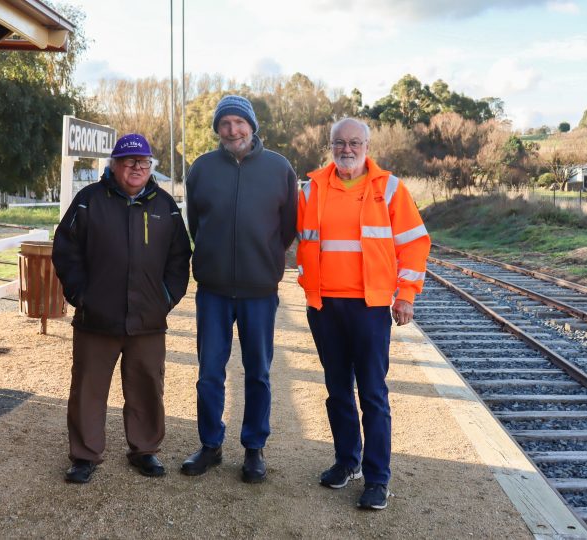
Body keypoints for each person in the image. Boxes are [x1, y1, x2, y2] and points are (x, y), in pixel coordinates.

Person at [296, 118, 430, 509]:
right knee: (337, 391)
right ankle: (346, 462)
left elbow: (415, 243)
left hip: (370, 307)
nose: (347, 149)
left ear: (368, 145)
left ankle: (377, 478)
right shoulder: (311, 189)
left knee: (372, 393)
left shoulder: (388, 189)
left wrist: (405, 295)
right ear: (331, 145)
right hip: (323, 306)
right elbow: (295, 240)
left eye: (355, 142)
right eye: (340, 142)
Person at [52, 133, 191, 483]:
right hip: (96, 318)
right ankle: (84, 454)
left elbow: (179, 257)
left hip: (147, 319)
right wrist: (81, 295)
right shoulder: (88, 201)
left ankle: (144, 451)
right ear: (114, 165)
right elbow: (65, 251)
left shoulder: (164, 205)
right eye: (129, 162)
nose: (137, 169)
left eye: (143, 163)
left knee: (147, 385)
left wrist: (165, 298)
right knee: (88, 388)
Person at [181, 95, 297, 483]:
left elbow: (288, 228)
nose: (232, 130)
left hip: (259, 291)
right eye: (225, 123)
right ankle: (210, 445)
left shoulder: (279, 168)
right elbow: (195, 224)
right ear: (217, 129)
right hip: (213, 291)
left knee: (258, 373)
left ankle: (254, 448)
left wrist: (262, 259)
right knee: (209, 372)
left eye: (239, 122)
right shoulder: (202, 169)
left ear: (252, 125)